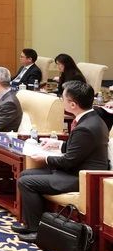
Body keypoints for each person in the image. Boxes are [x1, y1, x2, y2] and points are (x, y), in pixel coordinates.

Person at [13, 80, 110, 242]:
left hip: (82, 177)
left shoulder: (86, 127)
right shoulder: (90, 118)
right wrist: (57, 144)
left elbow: (69, 161)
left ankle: (37, 230)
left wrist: (45, 158)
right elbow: (78, 149)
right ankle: (32, 224)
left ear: (73, 104)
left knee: (26, 182)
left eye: (63, 98)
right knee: (25, 175)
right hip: (76, 169)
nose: (61, 101)